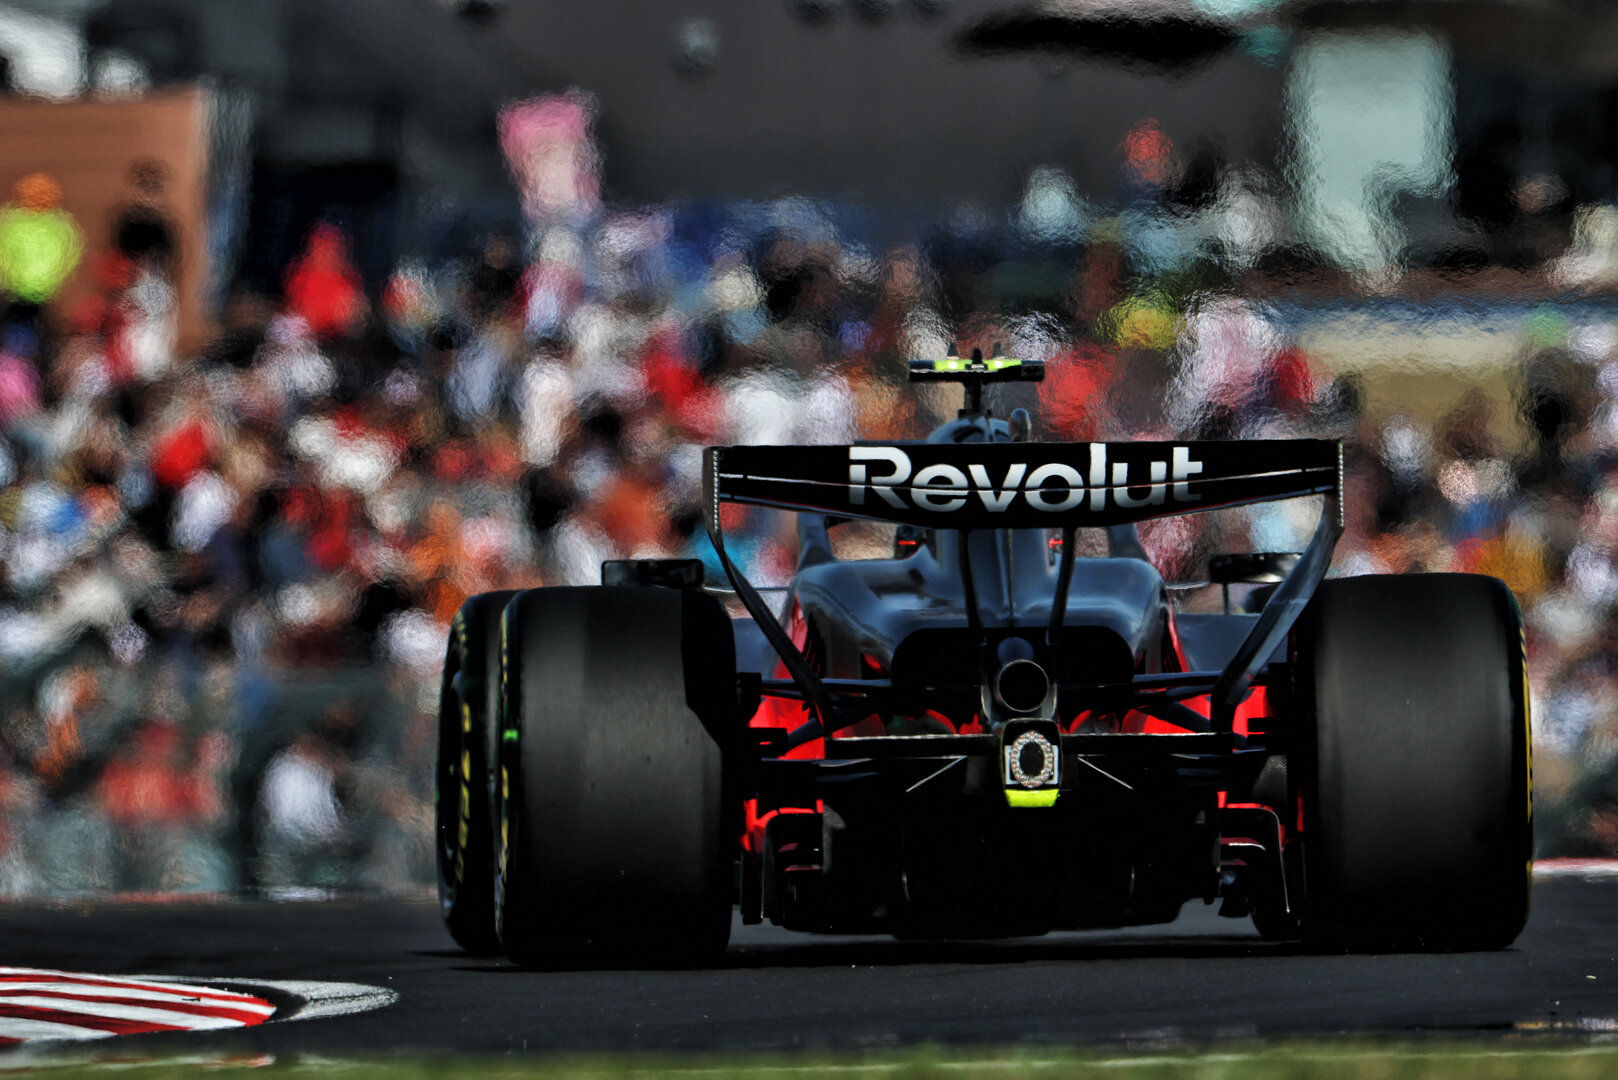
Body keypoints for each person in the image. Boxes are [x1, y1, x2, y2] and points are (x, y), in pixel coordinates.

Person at [0, 172, 84, 341]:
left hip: (36, 294)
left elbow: (66, 258)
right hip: (22, 293)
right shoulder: (11, 223)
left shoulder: (59, 227)